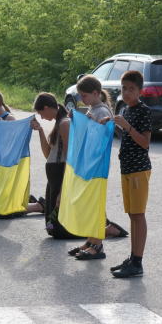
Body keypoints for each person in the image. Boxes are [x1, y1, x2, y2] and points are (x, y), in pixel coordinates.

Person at [68, 75, 129, 261]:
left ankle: (98, 245)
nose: (81, 99)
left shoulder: (102, 111)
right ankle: (90, 241)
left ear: (95, 93)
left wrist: (89, 122)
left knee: (95, 204)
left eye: (84, 95)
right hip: (90, 164)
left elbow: (101, 139)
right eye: (79, 96)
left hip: (96, 166)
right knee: (92, 203)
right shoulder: (94, 108)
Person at [99, 70, 152, 278]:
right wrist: (114, 125)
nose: (127, 92)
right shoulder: (127, 109)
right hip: (127, 168)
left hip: (139, 169)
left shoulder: (143, 111)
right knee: (131, 214)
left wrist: (127, 127)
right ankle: (132, 258)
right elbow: (129, 136)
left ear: (140, 90)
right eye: (124, 89)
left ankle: (137, 262)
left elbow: (145, 143)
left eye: (132, 89)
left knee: (138, 215)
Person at [0, 86, 44, 218]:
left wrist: (3, 129)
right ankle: (29, 202)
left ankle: (37, 206)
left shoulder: (9, 118)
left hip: (1, 164)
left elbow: (13, 146)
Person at [30, 92, 72, 238]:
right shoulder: (58, 123)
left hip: (60, 173)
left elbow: (69, 157)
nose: (41, 117)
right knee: (50, 225)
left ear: (47, 108)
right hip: (53, 175)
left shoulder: (64, 123)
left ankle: (94, 234)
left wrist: (62, 189)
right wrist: (40, 130)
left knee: (58, 228)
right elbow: (48, 154)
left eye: (41, 113)